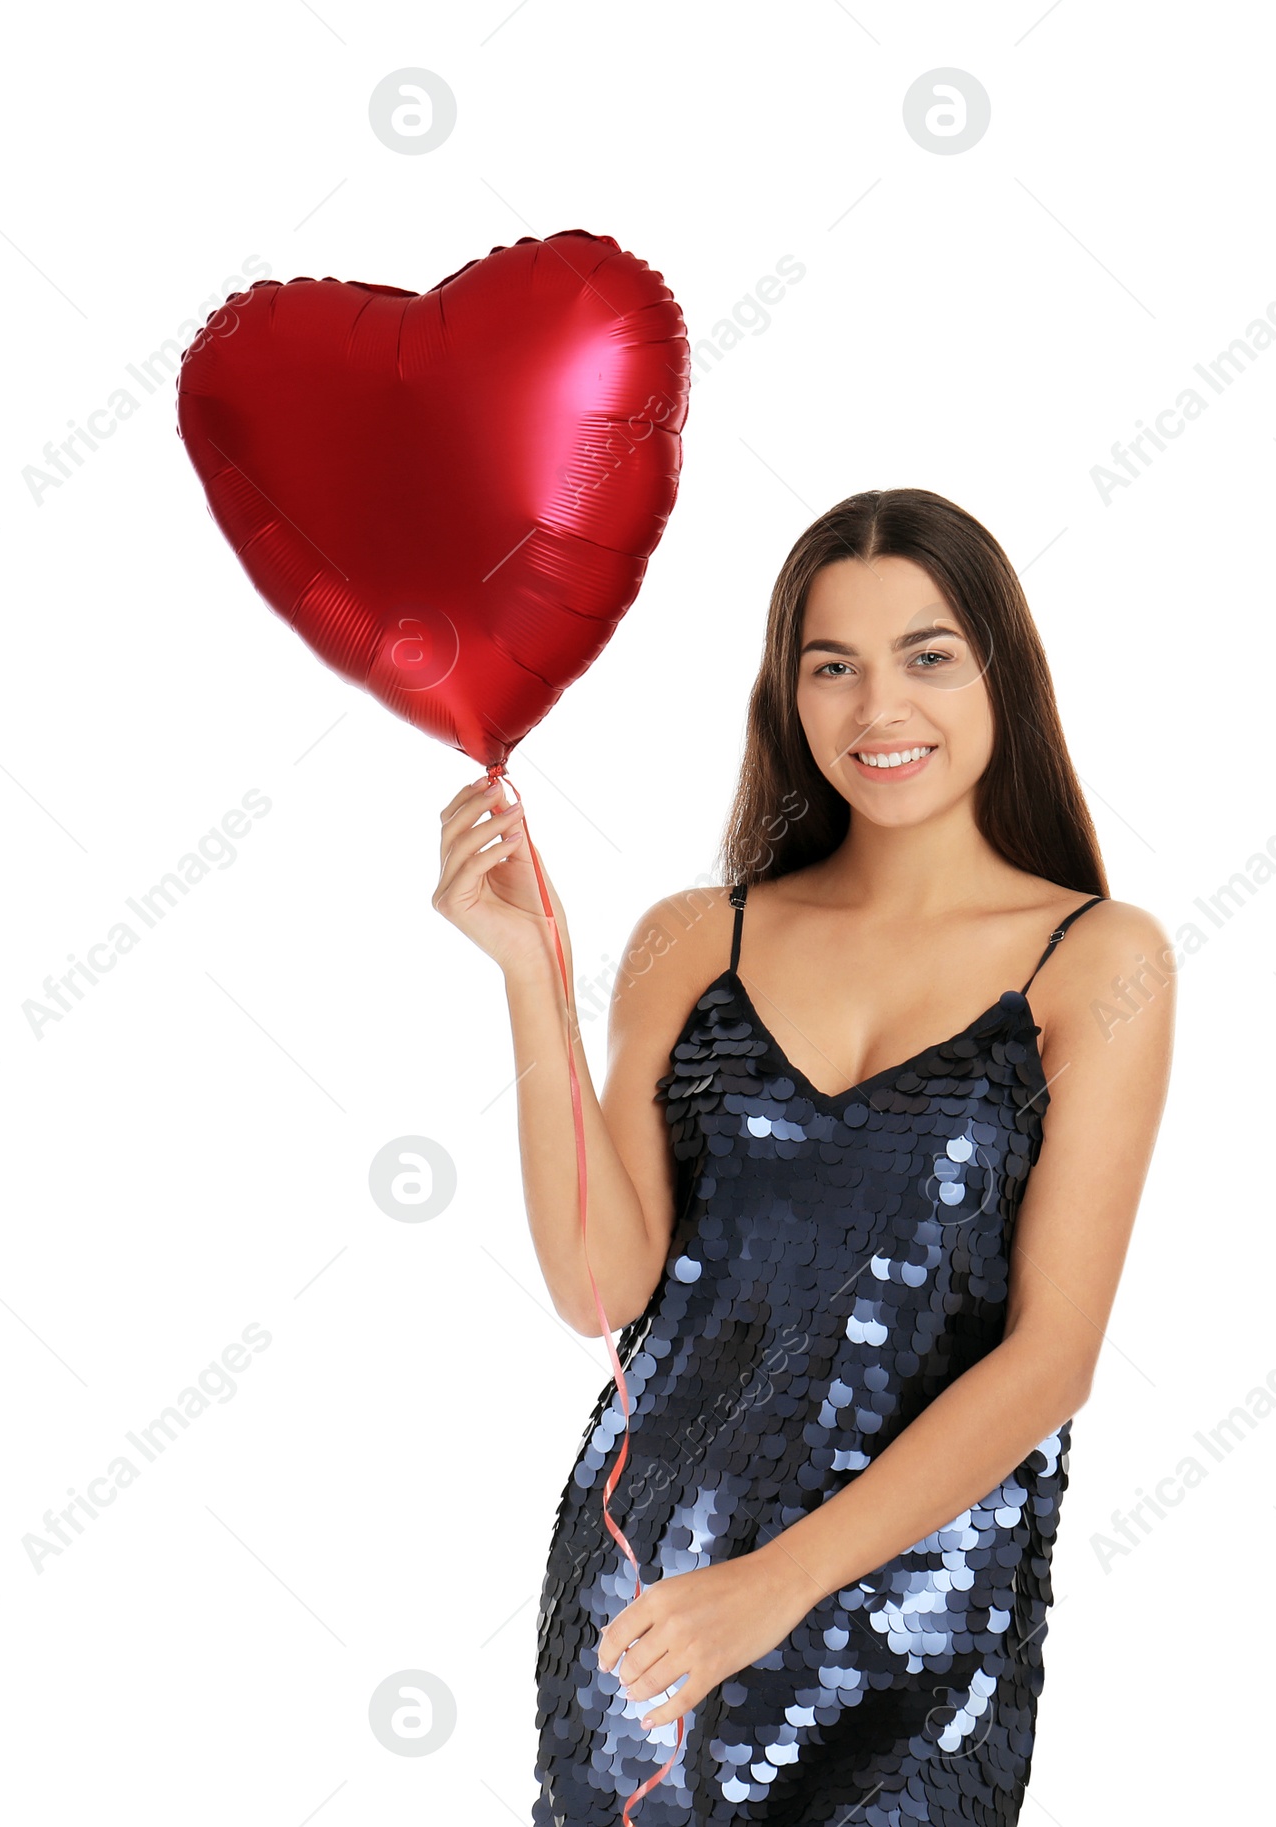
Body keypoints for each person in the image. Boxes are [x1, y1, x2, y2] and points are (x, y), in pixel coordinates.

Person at [434, 487, 1176, 1824]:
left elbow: (1049, 1360)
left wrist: (781, 1586)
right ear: (790, 695)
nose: (877, 707)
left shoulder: (1098, 960)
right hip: (652, 1591)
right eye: (831, 666)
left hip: (917, 1625)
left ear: (1001, 668)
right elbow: (602, 1293)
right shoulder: (689, 942)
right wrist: (534, 977)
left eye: (927, 656)